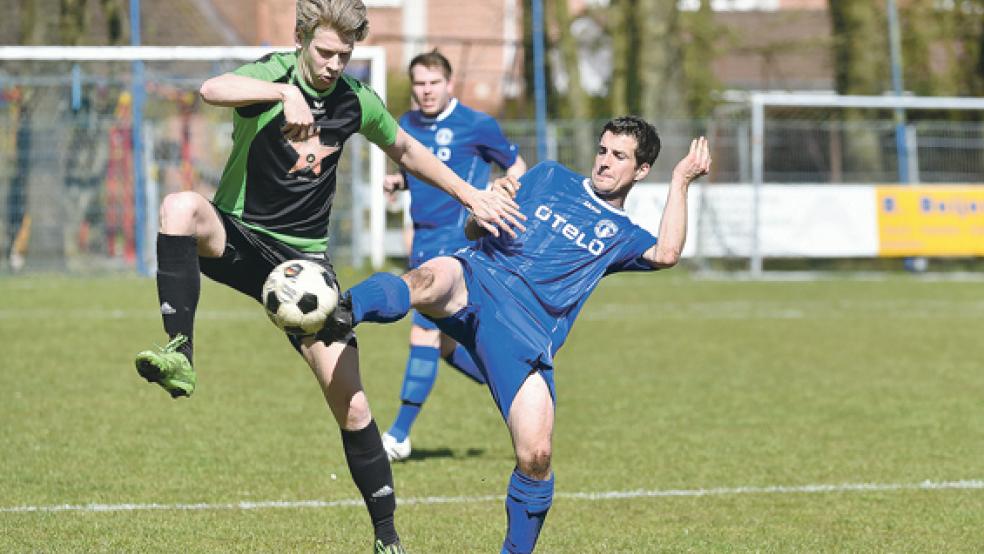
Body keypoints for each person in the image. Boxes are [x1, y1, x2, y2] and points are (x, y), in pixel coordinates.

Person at [131, 1, 522, 553]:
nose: (336, 63)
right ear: (300, 40)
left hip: (304, 268)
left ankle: (387, 538)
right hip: (240, 237)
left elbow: (407, 150)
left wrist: (471, 194)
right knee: (179, 207)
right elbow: (212, 90)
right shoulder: (272, 72)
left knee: (354, 405)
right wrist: (282, 92)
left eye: (346, 54)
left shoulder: (355, 101)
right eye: (325, 52)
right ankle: (180, 353)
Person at [332, 117, 711, 553]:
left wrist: (681, 180)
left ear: (641, 171)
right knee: (427, 279)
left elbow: (667, 253)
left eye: (619, 156)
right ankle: (339, 309)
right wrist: (482, 210)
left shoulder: (621, 235)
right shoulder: (549, 175)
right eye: (603, 150)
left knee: (536, 456)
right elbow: (474, 232)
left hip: (524, 334)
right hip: (476, 278)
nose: (604, 162)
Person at [380, 49, 527, 462]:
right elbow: (424, 173)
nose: (426, 91)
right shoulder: (406, 125)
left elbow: (517, 167)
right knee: (446, 346)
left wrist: (502, 192)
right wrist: (400, 184)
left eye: (433, 83)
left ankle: (398, 435)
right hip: (423, 241)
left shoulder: (476, 124)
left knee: (422, 332)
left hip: (459, 242)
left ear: (449, 85)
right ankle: (515, 386)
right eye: (419, 84)